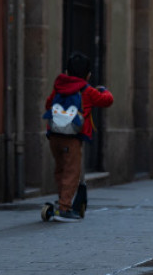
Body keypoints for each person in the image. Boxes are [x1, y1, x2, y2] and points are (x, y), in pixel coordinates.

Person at [43, 51, 113, 222]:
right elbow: (107, 100)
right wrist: (103, 90)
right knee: (72, 172)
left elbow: (48, 104)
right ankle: (65, 207)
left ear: (67, 72)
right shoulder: (87, 91)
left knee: (60, 169)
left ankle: (61, 200)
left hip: (54, 136)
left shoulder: (58, 86)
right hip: (72, 138)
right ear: (88, 75)